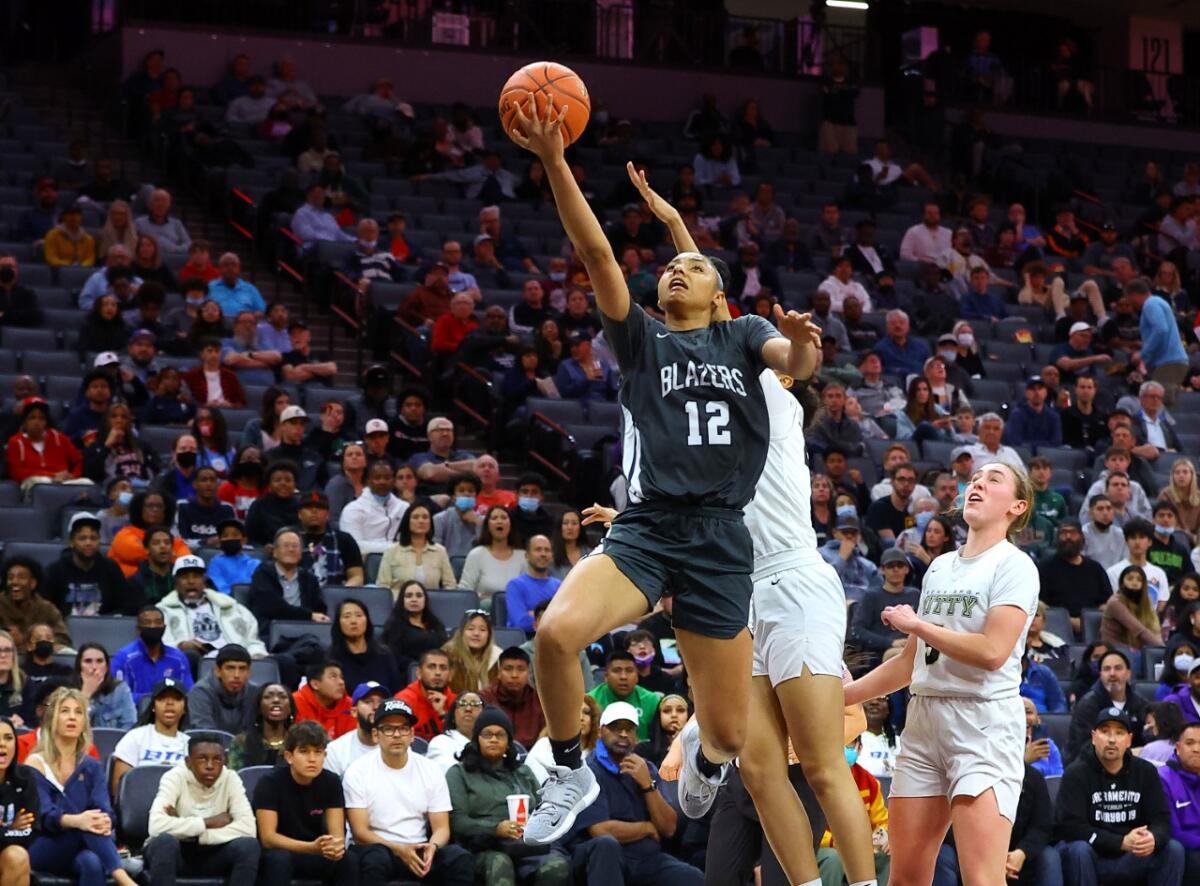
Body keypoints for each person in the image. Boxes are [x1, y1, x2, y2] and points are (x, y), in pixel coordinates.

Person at [506, 99, 818, 847]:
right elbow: (598, 256)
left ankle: (707, 758)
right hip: (649, 529)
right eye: (672, 264)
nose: (678, 267)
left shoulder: (744, 335)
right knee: (554, 635)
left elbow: (795, 366)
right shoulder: (641, 340)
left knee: (730, 731)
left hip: (720, 538)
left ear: (718, 294)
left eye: (695, 265)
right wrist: (554, 160)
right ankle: (568, 766)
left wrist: (805, 346)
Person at [843, 460, 1040, 886]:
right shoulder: (939, 567)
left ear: (1017, 506)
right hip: (924, 719)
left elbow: (991, 652)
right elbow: (908, 663)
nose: (978, 484)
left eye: (994, 480)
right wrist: (844, 696)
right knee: (905, 878)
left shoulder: (1015, 565)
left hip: (982, 723)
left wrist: (919, 624)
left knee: (982, 879)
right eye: (975, 479)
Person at [566, 700, 703, 884]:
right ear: (600, 732)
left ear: (636, 736)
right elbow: (601, 830)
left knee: (693, 878)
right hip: (600, 858)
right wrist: (646, 828)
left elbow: (669, 828)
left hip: (645, 858)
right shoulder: (587, 771)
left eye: (629, 729)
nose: (623, 734)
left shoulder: (646, 769)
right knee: (606, 846)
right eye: (616, 728)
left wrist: (647, 785)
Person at [344, 698, 475, 884]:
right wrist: (398, 849)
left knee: (459, 858)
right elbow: (360, 832)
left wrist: (433, 847)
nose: (397, 735)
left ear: (412, 734)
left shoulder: (430, 769)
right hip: (379, 849)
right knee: (374, 859)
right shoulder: (357, 771)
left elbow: (442, 828)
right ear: (375, 734)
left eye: (403, 728)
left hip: (418, 849)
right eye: (388, 729)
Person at [1056, 706, 1184, 886]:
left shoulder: (1146, 772)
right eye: (1105, 731)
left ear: (1129, 740)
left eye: (1119, 732)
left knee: (1173, 849)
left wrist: (1153, 838)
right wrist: (1120, 842)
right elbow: (1071, 827)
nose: (1111, 739)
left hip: (1135, 855)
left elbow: (1161, 820)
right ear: (1093, 737)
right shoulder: (1075, 774)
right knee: (1078, 850)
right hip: (1094, 855)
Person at [25, 688, 138, 886]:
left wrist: (104, 821)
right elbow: (43, 817)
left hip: (83, 844)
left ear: (85, 722)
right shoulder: (35, 764)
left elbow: (105, 810)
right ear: (52, 718)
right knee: (85, 826)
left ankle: (121, 877)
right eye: (65, 711)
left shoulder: (91, 766)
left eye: (78, 712)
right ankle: (123, 878)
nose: (72, 717)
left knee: (92, 862)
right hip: (43, 846)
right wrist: (78, 820)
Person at [445, 706, 570, 886]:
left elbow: (546, 809)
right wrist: (495, 828)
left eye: (500, 734)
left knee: (557, 866)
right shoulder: (459, 773)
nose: (494, 739)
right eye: (487, 734)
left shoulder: (522, 771)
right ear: (476, 739)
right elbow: (458, 822)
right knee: (500, 864)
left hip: (525, 847)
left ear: (509, 741)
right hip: (481, 847)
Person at [143, 732, 260, 886]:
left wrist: (195, 834)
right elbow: (156, 826)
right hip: (178, 853)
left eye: (217, 759)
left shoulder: (231, 779)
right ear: (188, 762)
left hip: (215, 852)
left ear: (225, 761)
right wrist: (208, 822)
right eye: (202, 758)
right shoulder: (174, 777)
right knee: (164, 841)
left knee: (249, 846)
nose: (210, 765)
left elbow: (248, 828)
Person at [255, 720, 355, 885]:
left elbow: (337, 835)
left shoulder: (331, 781)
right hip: (281, 852)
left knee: (348, 860)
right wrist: (311, 847)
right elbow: (268, 838)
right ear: (289, 756)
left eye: (318, 752)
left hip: (315, 851)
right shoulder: (270, 782)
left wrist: (334, 847)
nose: (312, 759)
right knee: (279, 859)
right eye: (304, 752)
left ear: (325, 755)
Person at [108, 677, 190, 798]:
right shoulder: (134, 737)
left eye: (177, 699)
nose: (169, 703)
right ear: (153, 706)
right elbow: (119, 790)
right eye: (162, 698)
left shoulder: (191, 745)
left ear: (185, 708)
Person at [42, 512, 135, 618]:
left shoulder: (111, 569)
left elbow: (124, 606)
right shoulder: (55, 571)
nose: (88, 543)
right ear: (72, 542)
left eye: (93, 538)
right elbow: (45, 609)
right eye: (82, 538)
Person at [1067, 650, 1151, 761]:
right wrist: (1127, 753)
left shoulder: (1141, 704)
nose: (1112, 673)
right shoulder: (1087, 704)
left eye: (1118, 668)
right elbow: (1082, 748)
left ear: (1128, 673)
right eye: (1106, 669)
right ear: (1100, 674)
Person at [1038, 520, 1114, 636]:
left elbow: (1107, 602)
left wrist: (1090, 621)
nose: (1068, 537)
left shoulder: (1095, 569)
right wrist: (1070, 622)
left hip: (1093, 630)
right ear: (1057, 537)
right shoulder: (1045, 567)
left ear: (1082, 537)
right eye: (1064, 533)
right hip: (1055, 629)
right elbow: (1039, 604)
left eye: (1073, 533)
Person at [247, 527, 329, 630]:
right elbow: (271, 607)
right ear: (275, 552)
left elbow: (319, 609)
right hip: (270, 633)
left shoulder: (309, 579)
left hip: (306, 634)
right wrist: (309, 616)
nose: (291, 549)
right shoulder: (262, 573)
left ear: (301, 553)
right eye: (286, 546)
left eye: (295, 546)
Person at [110, 605, 193, 702]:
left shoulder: (178, 658)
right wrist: (154, 699)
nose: (152, 626)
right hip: (136, 715)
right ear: (138, 628)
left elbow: (189, 693)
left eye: (158, 622)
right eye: (147, 622)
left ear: (164, 627)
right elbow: (117, 696)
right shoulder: (123, 657)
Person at [109, 491, 191, 579]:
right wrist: (171, 554)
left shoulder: (174, 539)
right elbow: (133, 552)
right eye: (150, 506)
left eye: (159, 506)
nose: (155, 509)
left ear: (166, 511)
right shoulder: (125, 534)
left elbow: (186, 562)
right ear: (139, 509)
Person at [376, 504, 456, 595]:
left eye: (425, 517)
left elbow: (450, 585)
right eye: (415, 517)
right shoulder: (392, 551)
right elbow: (382, 587)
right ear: (407, 521)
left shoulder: (440, 551)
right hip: (398, 605)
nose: (421, 521)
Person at [587, 650, 662, 744]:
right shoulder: (591, 701)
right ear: (606, 676)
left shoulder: (652, 701)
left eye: (629, 671)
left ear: (637, 677)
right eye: (617, 671)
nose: (623, 677)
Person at [328, 598, 401, 693]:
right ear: (338, 623)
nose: (353, 621)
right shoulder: (331, 658)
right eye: (347, 616)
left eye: (359, 615)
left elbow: (397, 691)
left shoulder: (385, 655)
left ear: (367, 620)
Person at [1157, 721, 1200, 880]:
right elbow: (1172, 832)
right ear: (1178, 747)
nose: (1196, 749)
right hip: (1184, 850)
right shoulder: (1162, 779)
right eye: (1190, 743)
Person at [0, 558, 71, 653]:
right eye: (10, 578)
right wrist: (6, 639)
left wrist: (33, 641)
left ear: (33, 583)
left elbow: (63, 638)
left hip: (39, 659)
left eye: (21, 577)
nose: (14, 582)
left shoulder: (46, 609)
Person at [297, 491, 365, 589]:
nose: (314, 511)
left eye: (320, 507)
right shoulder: (290, 539)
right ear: (299, 514)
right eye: (308, 507)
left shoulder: (345, 540)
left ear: (328, 514)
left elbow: (357, 576)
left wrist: (340, 593)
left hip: (338, 598)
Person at [459, 507, 526, 607]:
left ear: (511, 525)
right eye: (494, 518)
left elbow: (528, 592)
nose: (499, 521)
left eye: (504, 518)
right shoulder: (477, 554)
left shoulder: (523, 557)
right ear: (488, 526)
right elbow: (464, 592)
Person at [339, 460, 408, 556]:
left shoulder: (404, 508)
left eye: (387, 478)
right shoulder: (352, 510)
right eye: (377, 478)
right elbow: (354, 545)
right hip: (366, 561)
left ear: (393, 481)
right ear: (368, 481)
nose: (382, 482)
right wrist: (393, 547)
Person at [481, 647, 545, 749]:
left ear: (529, 673)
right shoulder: (485, 698)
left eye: (521, 669)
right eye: (508, 669)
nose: (514, 675)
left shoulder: (540, 701)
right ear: (499, 672)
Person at [187, 644, 260, 735]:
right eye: (230, 668)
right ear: (218, 671)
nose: (236, 675)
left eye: (242, 669)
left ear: (249, 672)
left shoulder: (254, 692)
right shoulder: (200, 692)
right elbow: (205, 733)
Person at [325, 682, 391, 777]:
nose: (376, 707)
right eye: (368, 702)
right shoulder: (336, 751)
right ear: (354, 712)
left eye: (381, 702)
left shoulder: (396, 745)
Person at [0, 713, 37, 879]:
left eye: (8, 738)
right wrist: (11, 829)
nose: (2, 744)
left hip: (7, 854)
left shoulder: (25, 777)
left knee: (18, 856)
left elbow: (32, 830)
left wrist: (3, 832)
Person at [383, 581, 449, 673]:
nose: (414, 599)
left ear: (425, 600)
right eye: (409, 596)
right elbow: (394, 656)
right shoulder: (394, 625)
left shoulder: (435, 624)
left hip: (437, 670)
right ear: (402, 600)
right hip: (408, 673)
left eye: (419, 596)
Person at [227, 683, 293, 770]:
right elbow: (234, 778)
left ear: (290, 707)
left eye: (283, 697)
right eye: (268, 697)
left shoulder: (299, 742)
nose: (276, 700)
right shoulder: (241, 743)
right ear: (259, 707)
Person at [72, 643, 135, 731]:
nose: (94, 667)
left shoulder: (120, 689)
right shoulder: (68, 691)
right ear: (79, 666)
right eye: (88, 661)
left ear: (106, 666)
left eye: (99, 661)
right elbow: (73, 727)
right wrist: (86, 694)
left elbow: (130, 725)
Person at [1102, 565, 1164, 651]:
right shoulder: (1115, 603)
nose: (1135, 583)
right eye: (1130, 579)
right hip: (1113, 649)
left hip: (1136, 648)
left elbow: (1155, 629)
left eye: (1139, 580)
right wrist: (1163, 648)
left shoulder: (1146, 602)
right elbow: (1140, 631)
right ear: (1122, 582)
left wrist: (1160, 646)